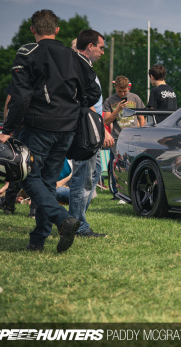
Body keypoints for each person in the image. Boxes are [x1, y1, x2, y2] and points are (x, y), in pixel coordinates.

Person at [0, 9, 101, 253]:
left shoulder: (27, 53)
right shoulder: (74, 56)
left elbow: (19, 98)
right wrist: (74, 107)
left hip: (39, 127)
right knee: (48, 182)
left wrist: (8, 130)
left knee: (26, 176)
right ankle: (37, 241)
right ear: (57, 30)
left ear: (32, 30)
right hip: (67, 129)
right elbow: (93, 92)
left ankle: (62, 220)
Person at [67, 29, 114, 238]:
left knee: (94, 173)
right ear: (91, 46)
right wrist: (102, 131)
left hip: (89, 130)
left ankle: (76, 221)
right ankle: (77, 225)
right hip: (85, 132)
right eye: (101, 48)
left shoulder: (86, 67)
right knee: (82, 178)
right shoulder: (79, 67)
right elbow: (88, 106)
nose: (103, 52)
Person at [103, 76, 145, 200]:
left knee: (133, 164)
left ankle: (132, 191)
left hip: (134, 137)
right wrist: (117, 110)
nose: (122, 94)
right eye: (120, 91)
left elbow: (142, 117)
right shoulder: (110, 100)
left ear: (128, 88)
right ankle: (117, 193)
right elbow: (107, 120)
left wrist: (141, 131)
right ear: (115, 87)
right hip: (118, 138)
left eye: (125, 91)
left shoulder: (135, 98)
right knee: (117, 166)